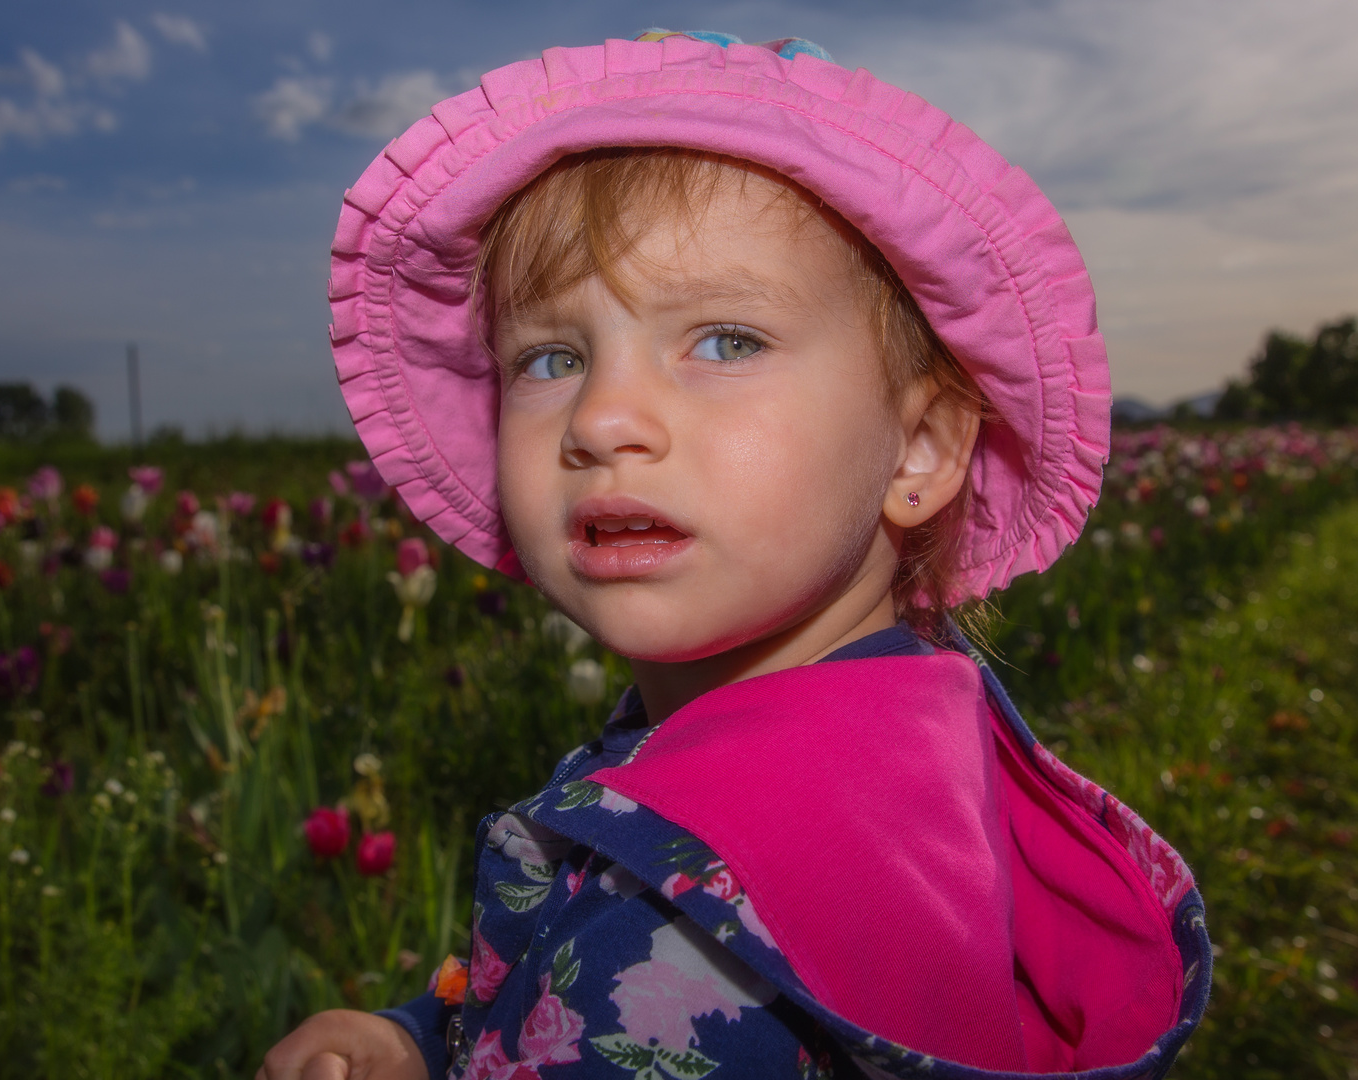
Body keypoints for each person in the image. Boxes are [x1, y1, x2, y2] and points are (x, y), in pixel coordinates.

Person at [262, 30, 1209, 1080]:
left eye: (724, 341)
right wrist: (424, 1036)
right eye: (552, 357)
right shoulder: (900, 728)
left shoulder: (700, 915)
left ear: (924, 449)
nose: (604, 417)